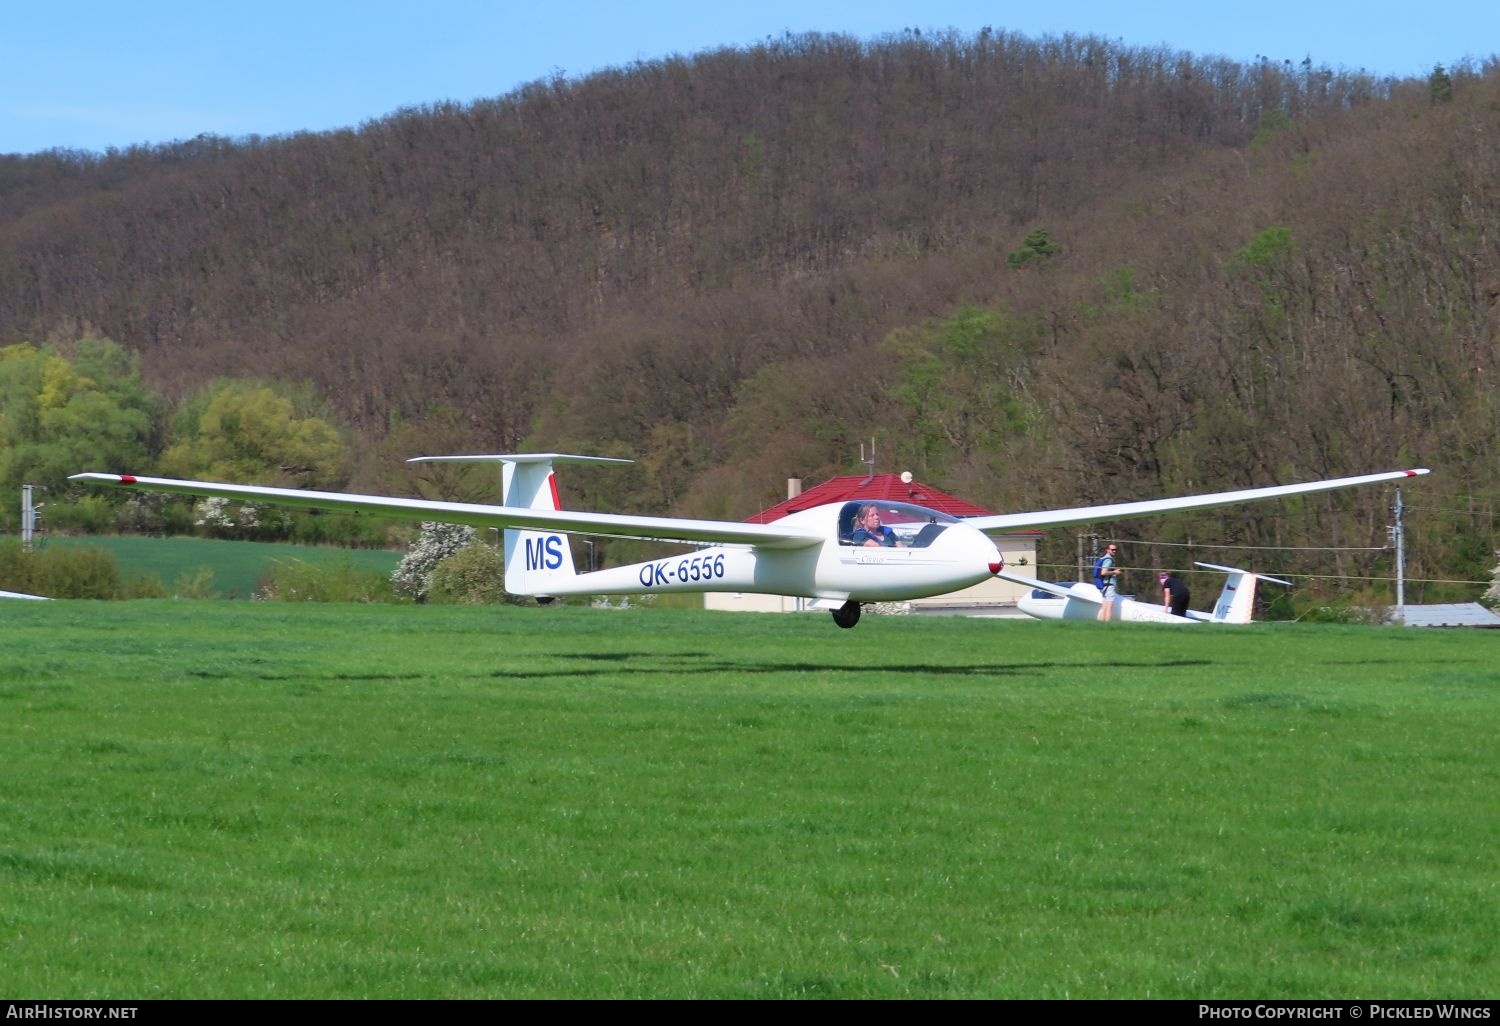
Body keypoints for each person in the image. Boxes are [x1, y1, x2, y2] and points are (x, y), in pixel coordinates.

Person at [1093, 543, 1122, 621]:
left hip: (1104, 585)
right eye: (1112, 550)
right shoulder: (1108, 560)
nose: (1114, 551)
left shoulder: (1103, 558)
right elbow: (1103, 572)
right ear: (1108, 550)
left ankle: (1101, 625)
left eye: (1115, 550)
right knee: (1109, 606)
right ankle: (1107, 625)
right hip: (1109, 585)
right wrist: (1115, 572)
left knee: (1105, 606)